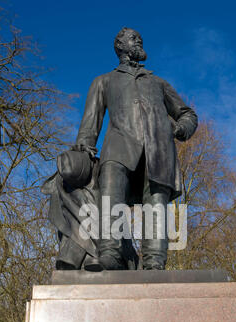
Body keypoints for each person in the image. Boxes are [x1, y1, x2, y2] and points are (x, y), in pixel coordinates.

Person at [74, 27, 198, 270]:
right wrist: (84, 147)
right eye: (133, 38)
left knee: (156, 205)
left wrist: (181, 128)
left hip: (158, 150)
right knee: (109, 198)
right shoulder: (104, 81)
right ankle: (109, 253)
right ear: (120, 46)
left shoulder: (158, 82)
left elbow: (187, 113)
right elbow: (91, 121)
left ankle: (155, 262)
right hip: (117, 148)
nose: (139, 41)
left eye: (140, 38)